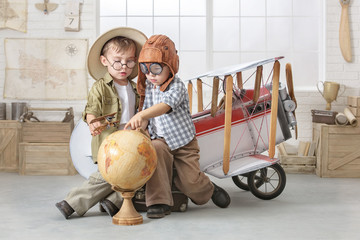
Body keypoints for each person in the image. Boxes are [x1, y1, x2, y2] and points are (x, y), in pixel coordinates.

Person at [124, 34, 231, 219]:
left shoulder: (177, 86)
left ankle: (208, 189)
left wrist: (141, 114)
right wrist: (141, 123)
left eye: (156, 68)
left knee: (190, 183)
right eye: (145, 69)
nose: (151, 75)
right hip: (161, 141)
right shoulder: (149, 87)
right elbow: (148, 111)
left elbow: (165, 106)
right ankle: (159, 201)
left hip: (183, 144)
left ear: (171, 66)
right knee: (155, 150)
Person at [55, 27, 147, 219]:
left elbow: (140, 110)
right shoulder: (100, 87)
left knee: (137, 169)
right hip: (110, 139)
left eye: (130, 61)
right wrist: (92, 122)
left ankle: (113, 202)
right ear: (104, 61)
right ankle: (72, 202)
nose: (124, 67)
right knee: (108, 174)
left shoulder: (134, 87)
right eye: (118, 62)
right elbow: (91, 110)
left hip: (130, 137)